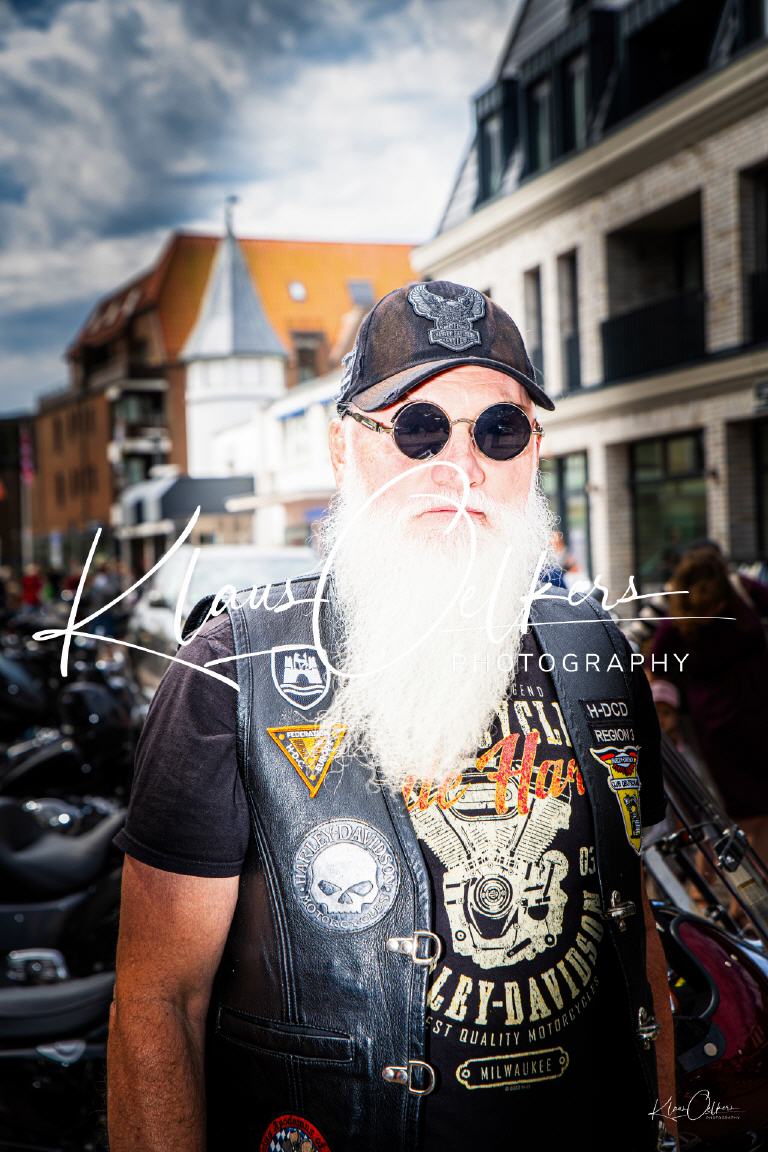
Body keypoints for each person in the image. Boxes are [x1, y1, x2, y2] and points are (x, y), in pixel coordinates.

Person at [107, 281, 676, 1152]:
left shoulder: (597, 650)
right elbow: (159, 1001)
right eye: (418, 429)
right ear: (345, 449)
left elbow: (636, 934)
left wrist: (666, 1128)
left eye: (499, 430)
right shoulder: (230, 670)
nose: (462, 467)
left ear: (534, 450)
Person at [650, 545, 768, 866]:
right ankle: (735, 883)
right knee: (734, 813)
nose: (713, 611)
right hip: (718, 731)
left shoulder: (744, 591)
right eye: (706, 609)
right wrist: (665, 715)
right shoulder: (673, 621)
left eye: (717, 605)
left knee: (761, 810)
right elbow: (655, 669)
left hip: (760, 717)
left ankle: (753, 884)